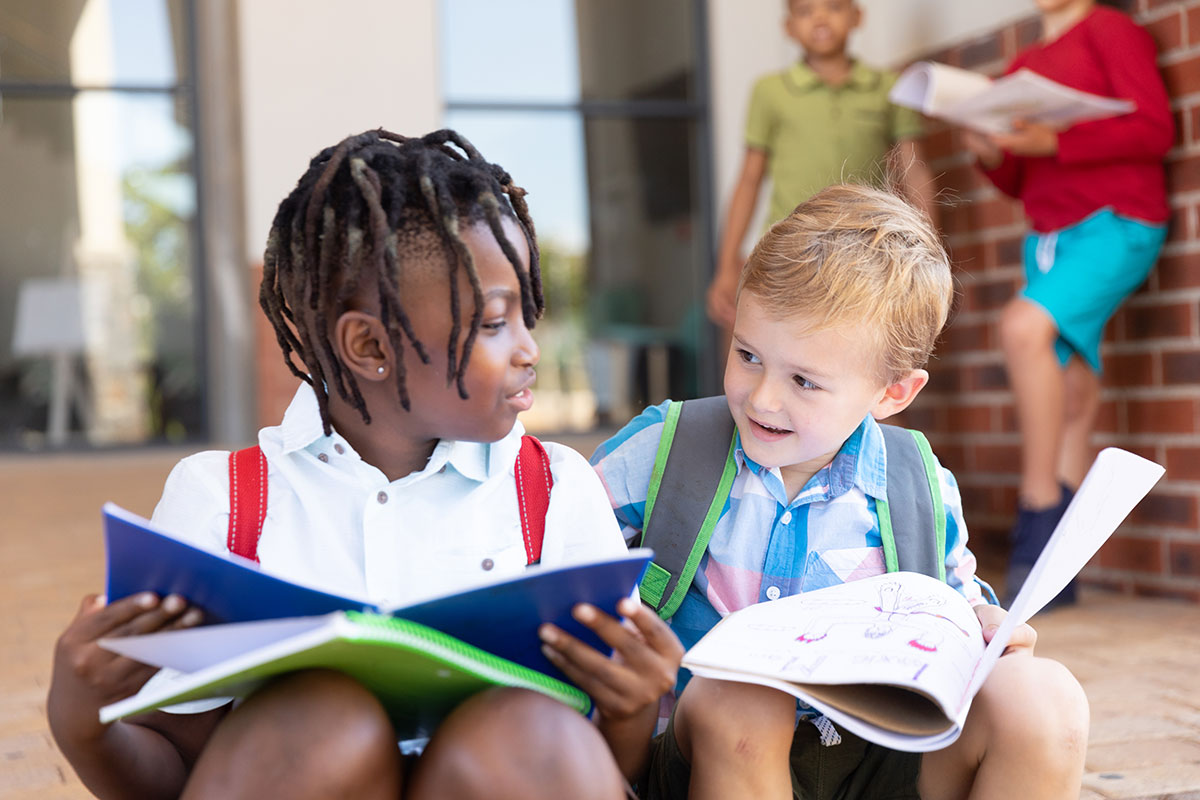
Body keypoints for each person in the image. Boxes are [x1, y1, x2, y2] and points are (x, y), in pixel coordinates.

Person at [47, 128, 683, 800]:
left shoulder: (554, 491)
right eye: (495, 324)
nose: (529, 348)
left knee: (526, 732)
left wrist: (630, 706)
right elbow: (181, 777)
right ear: (369, 345)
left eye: (527, 313)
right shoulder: (224, 504)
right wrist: (80, 718)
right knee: (321, 723)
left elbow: (602, 770)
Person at [592, 185, 1090, 800]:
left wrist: (988, 632)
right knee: (750, 698)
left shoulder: (921, 487)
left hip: (877, 758)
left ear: (892, 394)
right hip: (710, 755)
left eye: (805, 380)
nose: (764, 397)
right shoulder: (666, 449)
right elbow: (558, 580)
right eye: (748, 355)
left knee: (1046, 698)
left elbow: (956, 619)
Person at [962, 0, 1172, 605]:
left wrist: (1056, 135)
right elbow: (1023, 177)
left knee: (1022, 329)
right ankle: (1060, 575)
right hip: (1049, 237)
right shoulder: (1024, 63)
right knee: (1072, 389)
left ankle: (1039, 509)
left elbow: (1154, 129)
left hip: (1115, 223)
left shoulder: (1111, 31)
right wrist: (991, 149)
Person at [706, 0, 938, 337]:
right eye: (804, 10)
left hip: (865, 250)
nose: (819, 17)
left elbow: (914, 171)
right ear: (788, 27)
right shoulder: (769, 91)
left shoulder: (890, 88)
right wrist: (726, 267)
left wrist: (928, 249)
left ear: (857, 17)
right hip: (786, 248)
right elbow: (748, 181)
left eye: (833, 6)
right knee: (769, 340)